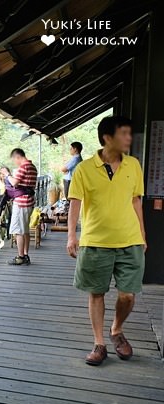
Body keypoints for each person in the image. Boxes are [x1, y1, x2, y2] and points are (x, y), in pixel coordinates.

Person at [67, 116, 146, 366]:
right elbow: (75, 203)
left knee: (128, 296)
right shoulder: (84, 169)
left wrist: (142, 234)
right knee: (96, 293)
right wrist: (71, 235)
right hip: (95, 241)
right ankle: (99, 343)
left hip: (129, 240)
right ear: (107, 138)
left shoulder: (133, 165)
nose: (128, 139)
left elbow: (136, 200)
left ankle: (116, 329)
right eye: (124, 134)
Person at [2, 149, 38, 265]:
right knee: (25, 230)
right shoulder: (32, 166)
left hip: (22, 202)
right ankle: (26, 254)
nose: (15, 163)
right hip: (29, 202)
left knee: (18, 231)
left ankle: (20, 257)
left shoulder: (24, 167)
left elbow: (14, 183)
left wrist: (7, 175)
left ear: (17, 157)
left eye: (14, 160)